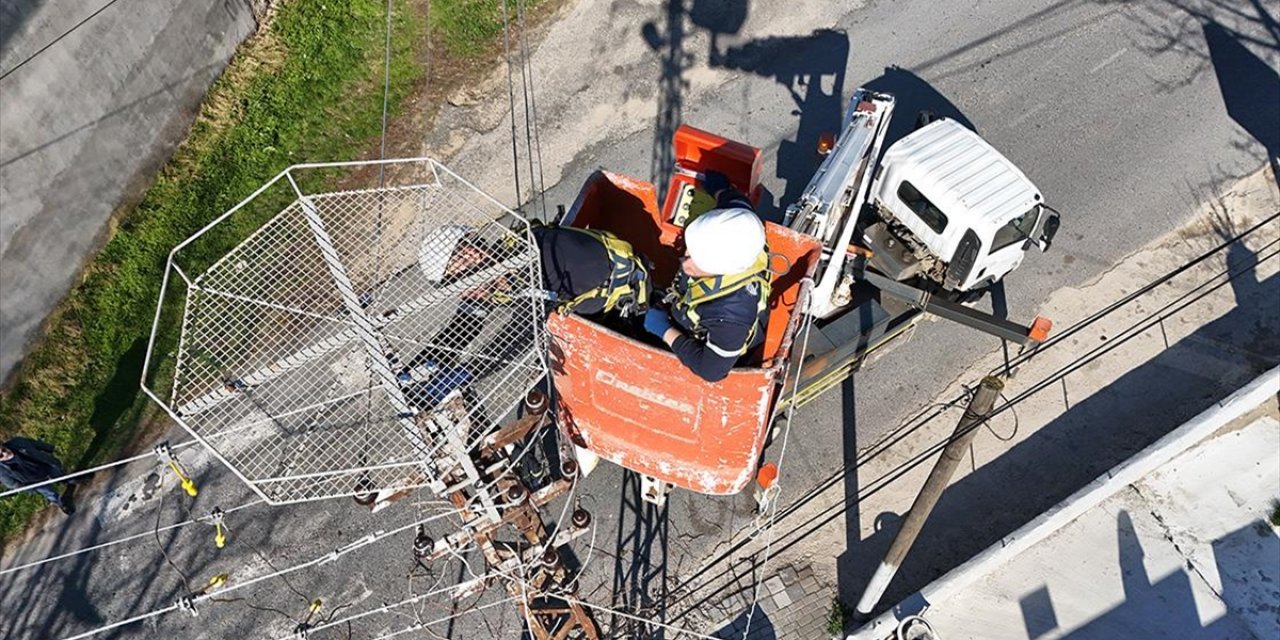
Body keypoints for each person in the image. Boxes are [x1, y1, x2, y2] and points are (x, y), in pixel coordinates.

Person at [399, 222, 653, 407]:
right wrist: (419, 366)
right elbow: (467, 323)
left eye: (458, 281)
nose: (463, 293)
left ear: (471, 254)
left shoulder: (535, 264)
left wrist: (458, 377)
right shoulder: (499, 264)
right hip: (587, 302)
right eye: (452, 287)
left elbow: (514, 339)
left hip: (624, 311)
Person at [643, 172, 771, 382]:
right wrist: (720, 189)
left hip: (710, 344)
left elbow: (711, 370)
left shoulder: (730, 316)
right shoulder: (739, 226)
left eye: (694, 259)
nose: (684, 258)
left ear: (720, 268)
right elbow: (738, 202)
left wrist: (665, 330)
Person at [0, 438, 75, 515]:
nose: (5, 454)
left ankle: (69, 483)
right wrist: (30, 489)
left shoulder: (18, 442)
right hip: (34, 481)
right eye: (1, 455)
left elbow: (36, 444)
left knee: (59, 474)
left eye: (4, 450)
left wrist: (49, 448)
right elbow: (13, 484)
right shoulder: (1, 471)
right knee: (50, 493)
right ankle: (62, 504)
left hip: (44, 466)